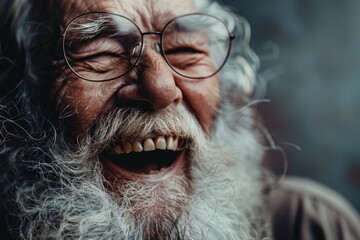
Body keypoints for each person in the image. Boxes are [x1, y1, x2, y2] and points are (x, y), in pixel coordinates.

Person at [0, 0, 359, 239]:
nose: (160, 87)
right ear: (23, 96)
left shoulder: (308, 226)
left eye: (184, 51)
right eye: (101, 53)